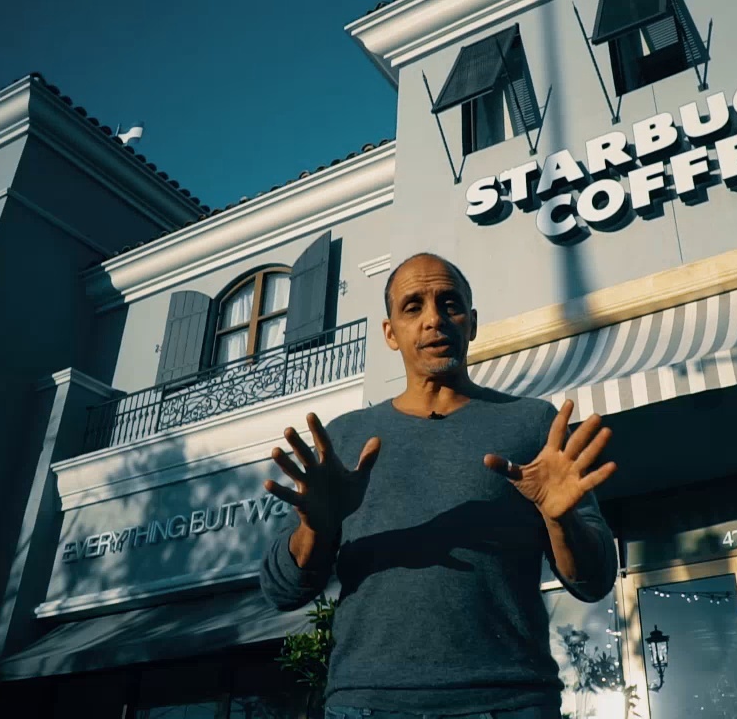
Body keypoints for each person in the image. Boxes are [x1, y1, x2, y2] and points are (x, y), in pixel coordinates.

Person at [260, 252, 619, 719]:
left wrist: (561, 520)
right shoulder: (344, 439)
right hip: (368, 705)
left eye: (450, 304)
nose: (434, 319)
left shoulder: (534, 426)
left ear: (472, 323)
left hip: (509, 702)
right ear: (390, 332)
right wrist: (316, 529)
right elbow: (281, 591)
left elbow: (595, 581)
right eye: (413, 306)